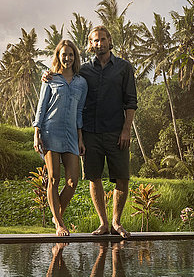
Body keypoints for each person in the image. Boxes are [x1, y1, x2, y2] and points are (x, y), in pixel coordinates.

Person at [43, 26, 137, 238]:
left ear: (109, 41)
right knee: (93, 178)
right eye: (95, 40)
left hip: (116, 131)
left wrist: (126, 130)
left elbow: (131, 101)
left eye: (103, 39)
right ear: (90, 44)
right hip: (90, 133)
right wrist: (46, 74)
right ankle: (104, 223)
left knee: (122, 178)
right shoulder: (83, 70)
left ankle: (116, 222)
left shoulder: (124, 67)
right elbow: (63, 75)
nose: (99, 43)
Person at [33, 39, 88, 236]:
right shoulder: (50, 79)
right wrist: (36, 133)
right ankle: (58, 224)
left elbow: (80, 111)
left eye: (71, 54)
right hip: (50, 132)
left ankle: (58, 216)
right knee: (54, 178)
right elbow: (41, 107)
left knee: (73, 181)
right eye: (64, 54)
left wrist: (80, 139)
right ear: (58, 56)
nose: (67, 58)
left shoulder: (82, 83)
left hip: (71, 135)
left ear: (75, 57)